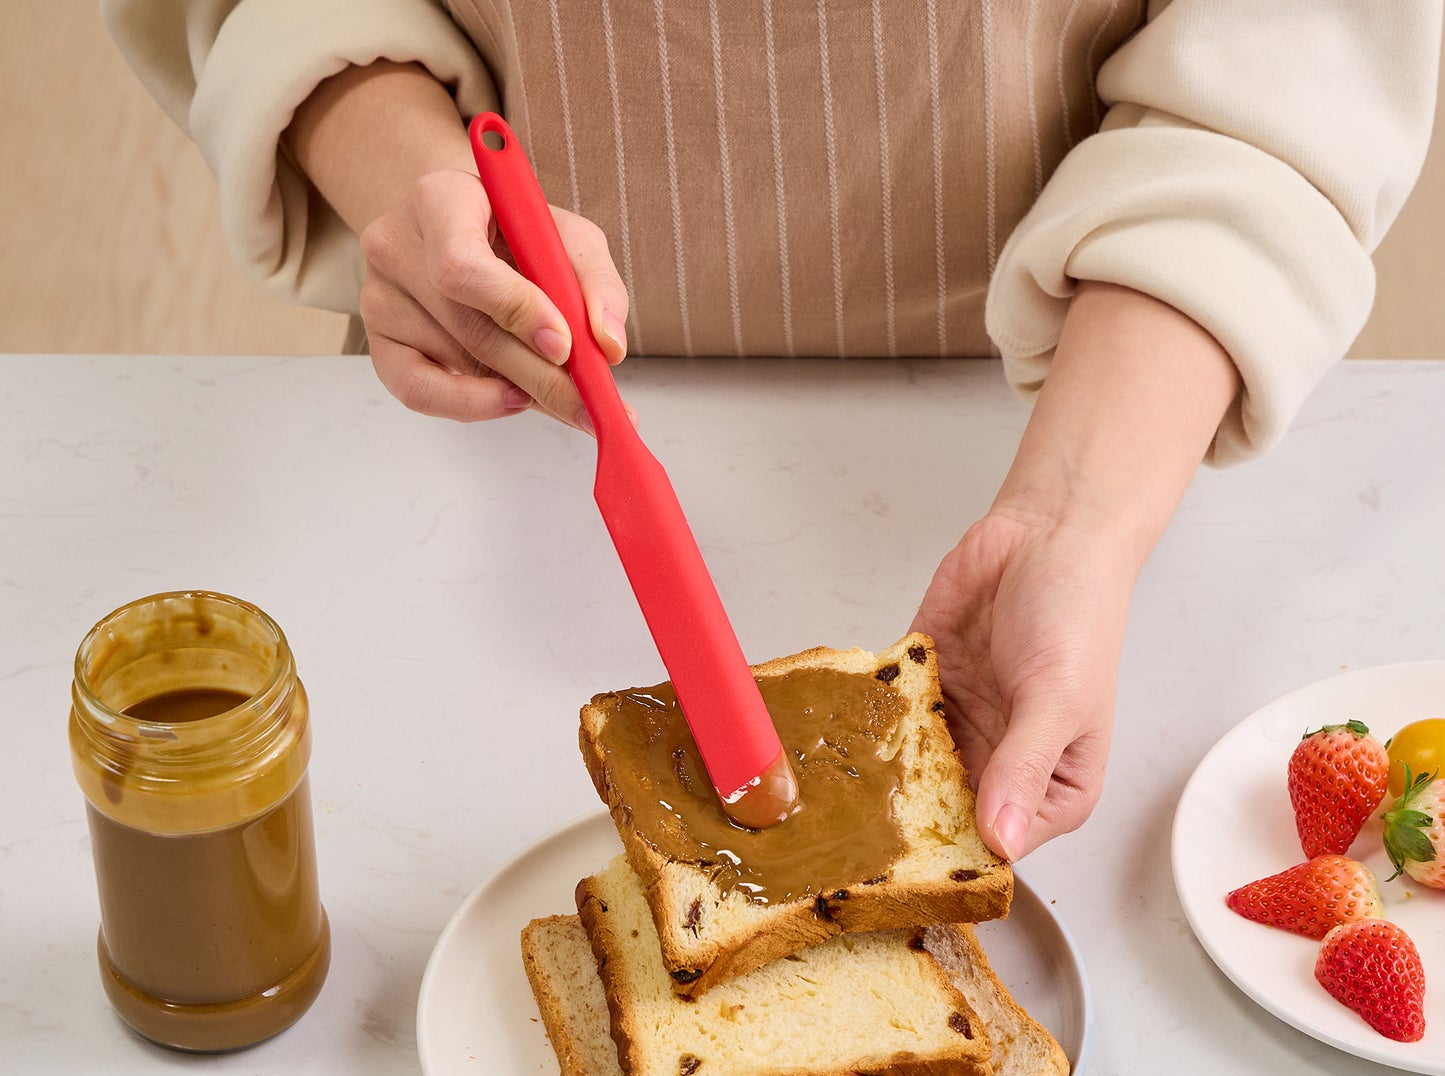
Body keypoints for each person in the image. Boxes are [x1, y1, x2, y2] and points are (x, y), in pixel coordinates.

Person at [103, 0, 1442, 859]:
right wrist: (410, 184)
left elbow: (1296, 48)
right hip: (486, 374)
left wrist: (1070, 525)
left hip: (1090, 380)